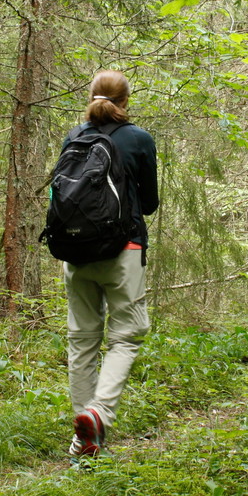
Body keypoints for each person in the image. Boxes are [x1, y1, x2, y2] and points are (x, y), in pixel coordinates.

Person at [64, 70, 158, 458]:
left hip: (74, 251)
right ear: (126, 100)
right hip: (123, 250)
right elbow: (149, 203)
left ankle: (83, 439)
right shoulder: (138, 138)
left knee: (82, 341)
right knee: (126, 336)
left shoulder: (75, 137)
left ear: (91, 97)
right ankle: (98, 415)